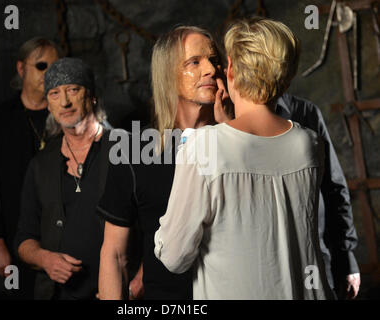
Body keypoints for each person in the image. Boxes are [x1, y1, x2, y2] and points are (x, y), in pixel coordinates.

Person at [154, 18, 335, 299]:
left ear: (232, 72)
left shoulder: (203, 147)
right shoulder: (310, 143)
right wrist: (228, 125)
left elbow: (174, 257)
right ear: (285, 77)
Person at [97, 26, 231, 300]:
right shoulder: (133, 150)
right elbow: (114, 254)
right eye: (194, 62)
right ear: (168, 74)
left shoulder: (239, 142)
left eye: (214, 60)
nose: (210, 69)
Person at [15, 58, 111, 300]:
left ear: (92, 96)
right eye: (55, 93)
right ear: (48, 104)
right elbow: (24, 237)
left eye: (73, 90)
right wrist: (44, 258)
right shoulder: (41, 164)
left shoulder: (124, 152)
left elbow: (156, 225)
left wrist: (136, 284)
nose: (65, 102)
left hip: (119, 290)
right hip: (61, 294)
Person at [0, 37, 60, 299]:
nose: (49, 74)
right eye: (42, 66)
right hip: (13, 235)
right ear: (21, 69)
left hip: (61, 236)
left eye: (55, 67)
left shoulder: (67, 115)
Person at [275, 93, 360, 299]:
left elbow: (333, 185)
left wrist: (346, 256)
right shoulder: (227, 121)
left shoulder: (305, 113)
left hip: (315, 259)